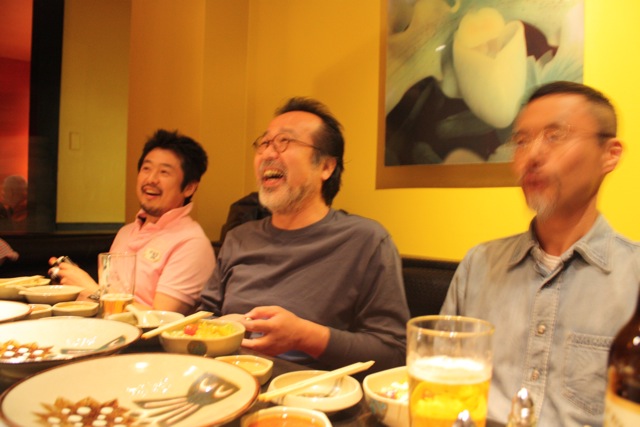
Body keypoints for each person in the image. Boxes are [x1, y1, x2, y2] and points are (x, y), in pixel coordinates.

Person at [440, 81, 640, 427]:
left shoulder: (633, 276)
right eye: (521, 141)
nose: (531, 156)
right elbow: (441, 382)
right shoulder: (479, 265)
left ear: (610, 154)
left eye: (555, 136)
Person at [200, 97, 409, 373]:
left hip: (308, 393)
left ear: (326, 167)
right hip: (223, 379)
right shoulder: (239, 238)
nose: (268, 153)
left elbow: (394, 354)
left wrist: (305, 336)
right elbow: (200, 320)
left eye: (284, 142)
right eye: (264, 143)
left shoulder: (366, 240)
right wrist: (220, 327)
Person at [50, 129, 215, 315]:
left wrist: (92, 291)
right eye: (146, 168)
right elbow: (108, 300)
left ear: (189, 188)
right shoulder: (126, 233)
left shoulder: (191, 244)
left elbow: (160, 320)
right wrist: (74, 283)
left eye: (164, 172)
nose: (151, 179)